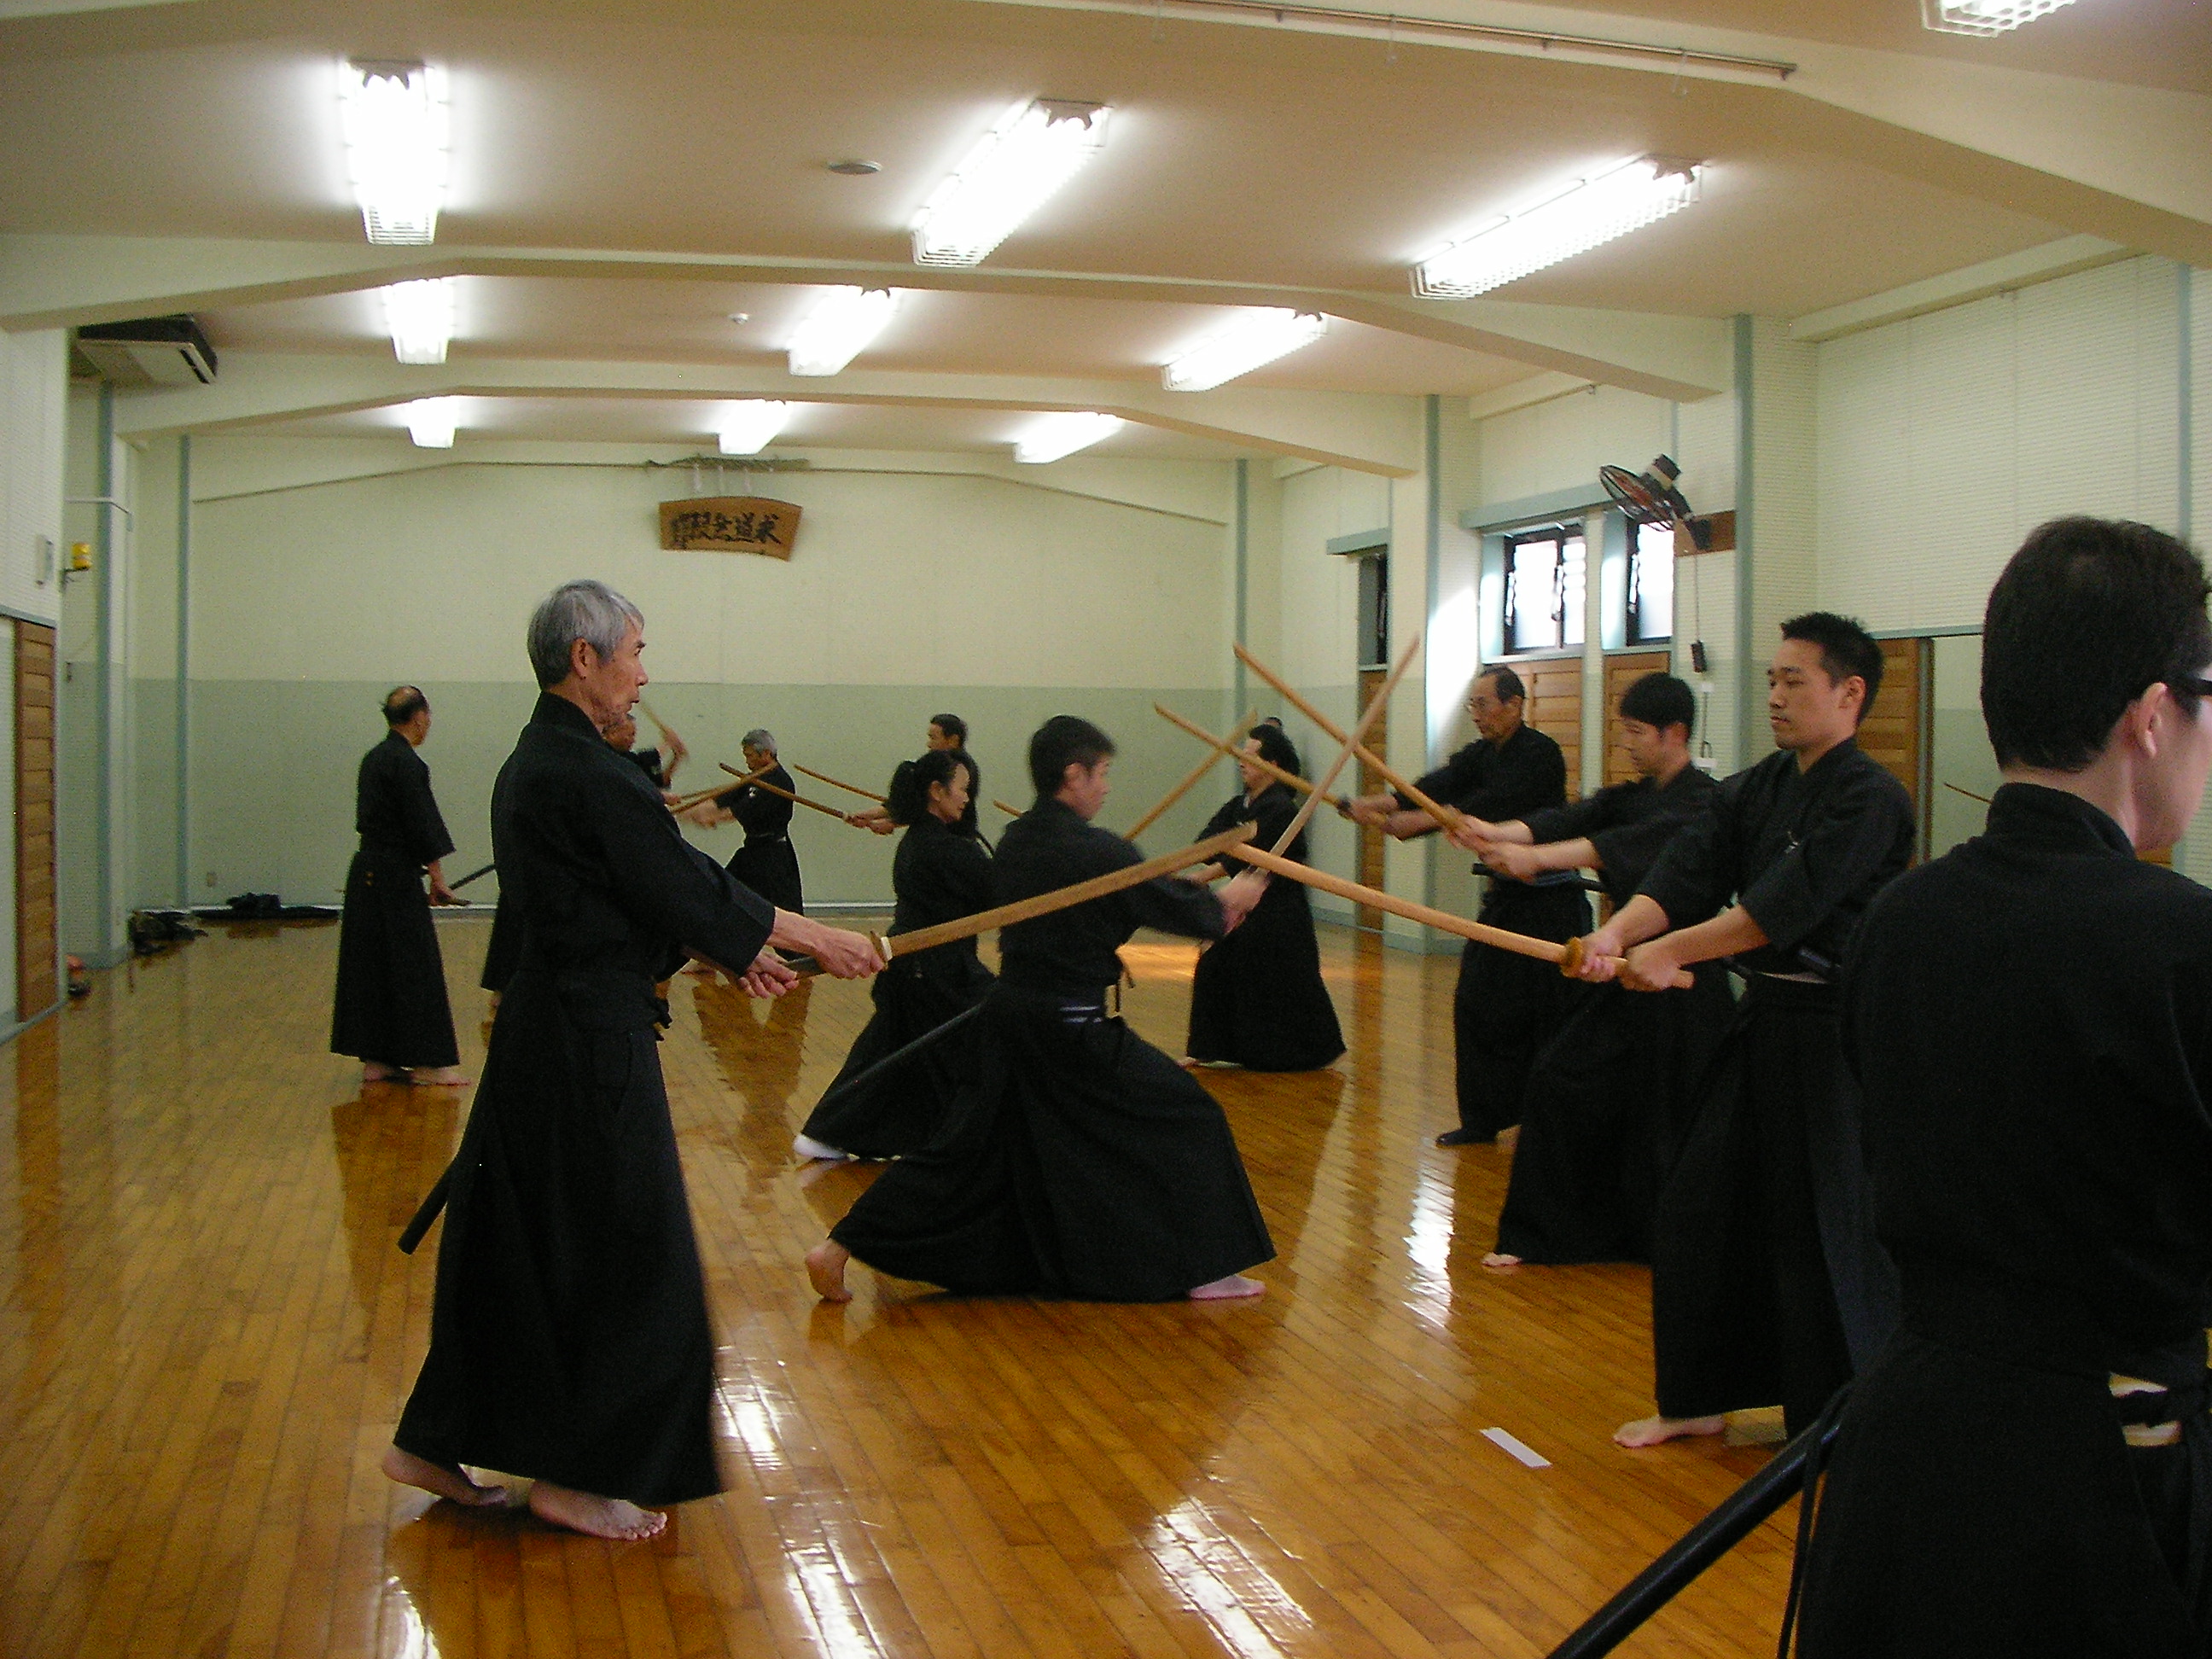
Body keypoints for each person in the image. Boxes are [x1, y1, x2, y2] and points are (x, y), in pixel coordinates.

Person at [382, 579, 882, 1540]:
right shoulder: (583, 771)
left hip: (547, 1032)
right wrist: (813, 935)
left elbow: (619, 898)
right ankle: (582, 1475)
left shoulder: (539, 761)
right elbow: (678, 878)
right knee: (632, 1256)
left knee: (521, 1247)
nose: (644, 675)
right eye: (636, 652)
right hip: (586, 1046)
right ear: (586, 657)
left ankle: (436, 1437)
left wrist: (727, 952)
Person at [1793, 520, 2212, 1656]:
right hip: (2106, 1474)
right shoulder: (2182, 944)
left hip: (1909, 1446)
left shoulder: (1901, 922)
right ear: (2154, 714)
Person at [1572, 613, 1914, 1447]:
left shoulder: (1871, 798)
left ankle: (1842, 1419)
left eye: (1794, 680)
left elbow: (1779, 908)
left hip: (1834, 1037)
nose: (1775, 697)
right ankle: (1698, 1396)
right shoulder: (1760, 787)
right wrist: (1617, 933)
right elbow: (1688, 869)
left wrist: (1667, 951)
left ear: (1850, 692)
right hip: (1762, 1019)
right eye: (1771, 680)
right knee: (1699, 1204)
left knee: (1826, 1228)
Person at [805, 715, 1275, 1304]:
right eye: (1101, 773)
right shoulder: (1099, 852)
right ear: (1074, 775)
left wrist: (1180, 900)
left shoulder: (1020, 840)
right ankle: (1205, 1267)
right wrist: (1229, 902)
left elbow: (1113, 905)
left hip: (1010, 1019)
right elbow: (1184, 912)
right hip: (1072, 1031)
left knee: (963, 1150)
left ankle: (836, 1248)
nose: (1106, 786)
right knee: (1188, 1115)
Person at [1463, 673, 1730, 1267]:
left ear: (1674, 733)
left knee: (1668, 1113)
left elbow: (1616, 846)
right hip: (1620, 970)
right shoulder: (1632, 795)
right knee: (1560, 1079)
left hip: (1683, 978)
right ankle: (1552, 1236)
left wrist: (1533, 859)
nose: (1627, 743)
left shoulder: (1703, 803)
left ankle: (1667, 1239)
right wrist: (1491, 832)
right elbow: (1571, 819)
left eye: (1636, 732)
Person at [1348, 665, 1584, 1145]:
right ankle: (1483, 1118)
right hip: (1507, 900)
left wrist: (1422, 822)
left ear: (1514, 705)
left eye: (1482, 704)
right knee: (1477, 1002)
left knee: (1551, 1016)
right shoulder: (1481, 754)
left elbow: (1492, 804)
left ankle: (1552, 1121)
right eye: (1472, 704)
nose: (1475, 713)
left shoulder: (1540, 754)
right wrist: (1378, 804)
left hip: (1552, 906)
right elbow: (1438, 785)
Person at [795, 748, 994, 1161]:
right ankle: (950, 1141)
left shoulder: (924, 839)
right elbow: (999, 888)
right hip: (934, 970)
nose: (966, 798)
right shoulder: (943, 849)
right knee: (965, 1041)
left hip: (918, 966)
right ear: (936, 791)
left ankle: (829, 1133)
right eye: (962, 789)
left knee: (888, 1053)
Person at [1181, 724, 1345, 1071]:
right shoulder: (1239, 805)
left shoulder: (1281, 808)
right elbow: (1209, 842)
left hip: (1277, 908)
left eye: (1251, 755)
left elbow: (1248, 856)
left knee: (1283, 978)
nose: (1242, 761)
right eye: (1242, 754)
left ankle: (1304, 1051)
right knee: (1214, 963)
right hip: (1245, 904)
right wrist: (1195, 862)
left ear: (1273, 764)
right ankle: (1210, 1047)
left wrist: (1201, 876)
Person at [330, 684, 469, 1088]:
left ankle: (378, 1060)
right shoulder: (408, 764)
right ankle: (428, 1065)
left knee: (373, 966)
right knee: (414, 966)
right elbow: (422, 824)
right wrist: (438, 879)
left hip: (366, 874)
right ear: (419, 717)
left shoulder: (373, 759)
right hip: (395, 877)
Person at [701, 728, 805, 915]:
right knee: (723, 893)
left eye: (749, 756)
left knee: (783, 913)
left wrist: (712, 817)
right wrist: (695, 810)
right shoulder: (756, 779)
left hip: (774, 856)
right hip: (752, 851)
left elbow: (739, 811)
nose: (747, 761)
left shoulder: (779, 782)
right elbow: (724, 799)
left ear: (766, 754)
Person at [857, 713, 983, 840]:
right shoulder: (940, 767)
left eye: (933, 738)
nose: (929, 744)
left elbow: (924, 809)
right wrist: (868, 815)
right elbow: (905, 803)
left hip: (951, 837)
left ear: (953, 740)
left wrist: (893, 822)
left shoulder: (960, 770)